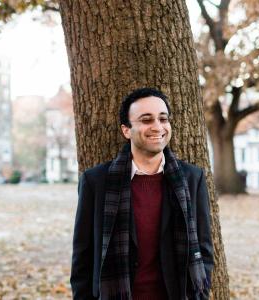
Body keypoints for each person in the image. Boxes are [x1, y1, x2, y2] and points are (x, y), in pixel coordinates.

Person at [70, 87, 214, 299]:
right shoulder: (96, 182)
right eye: (146, 120)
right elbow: (82, 258)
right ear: (126, 130)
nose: (157, 127)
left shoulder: (192, 178)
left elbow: (204, 249)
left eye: (163, 119)